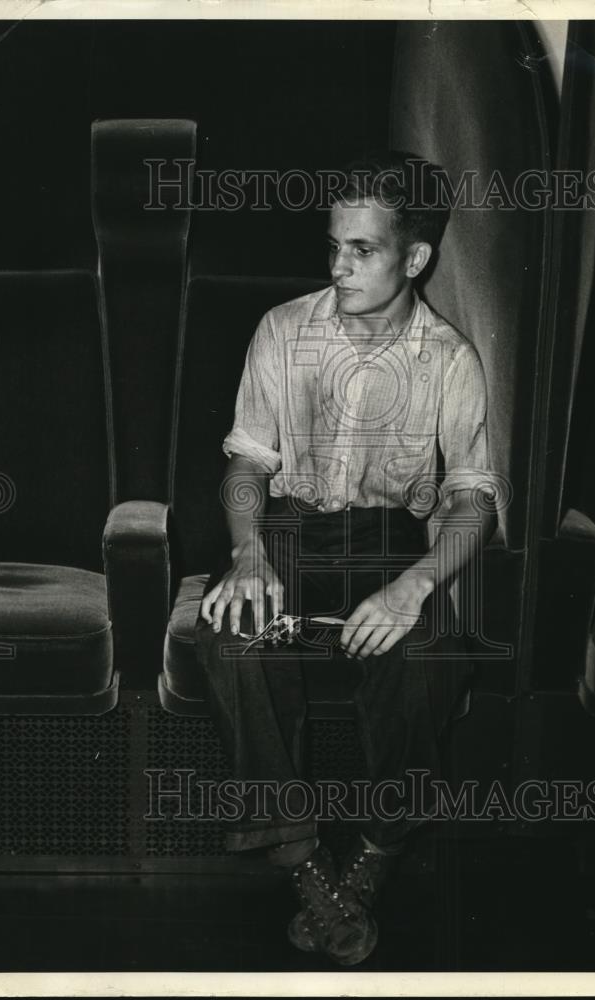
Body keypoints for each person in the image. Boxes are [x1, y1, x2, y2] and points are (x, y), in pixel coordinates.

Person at [195, 151, 499, 966]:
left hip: (394, 544)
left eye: (361, 250)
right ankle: (303, 865)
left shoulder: (452, 361)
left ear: (415, 258)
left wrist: (415, 586)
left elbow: (472, 500)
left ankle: (374, 852)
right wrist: (250, 552)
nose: (337, 266)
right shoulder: (281, 329)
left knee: (438, 651)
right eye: (334, 245)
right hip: (288, 533)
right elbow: (246, 464)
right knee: (225, 638)